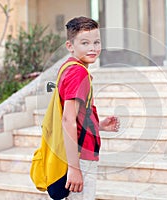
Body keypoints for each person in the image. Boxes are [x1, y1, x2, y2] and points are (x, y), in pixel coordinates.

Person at [58, 16, 120, 200]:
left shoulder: (69, 68)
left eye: (96, 42)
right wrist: (74, 168)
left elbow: (75, 116)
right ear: (70, 46)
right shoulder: (78, 73)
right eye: (85, 43)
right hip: (81, 157)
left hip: (80, 154)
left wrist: (98, 125)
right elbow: (68, 119)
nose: (92, 48)